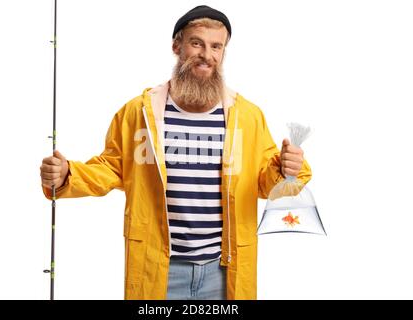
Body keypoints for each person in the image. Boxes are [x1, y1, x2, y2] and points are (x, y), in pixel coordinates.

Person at [40, 5, 312, 300]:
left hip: (225, 271)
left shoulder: (247, 116)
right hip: (159, 269)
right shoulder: (138, 113)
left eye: (216, 46)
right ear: (177, 46)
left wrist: (288, 168)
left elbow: (263, 181)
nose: (207, 55)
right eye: (197, 43)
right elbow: (112, 168)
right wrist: (69, 174)